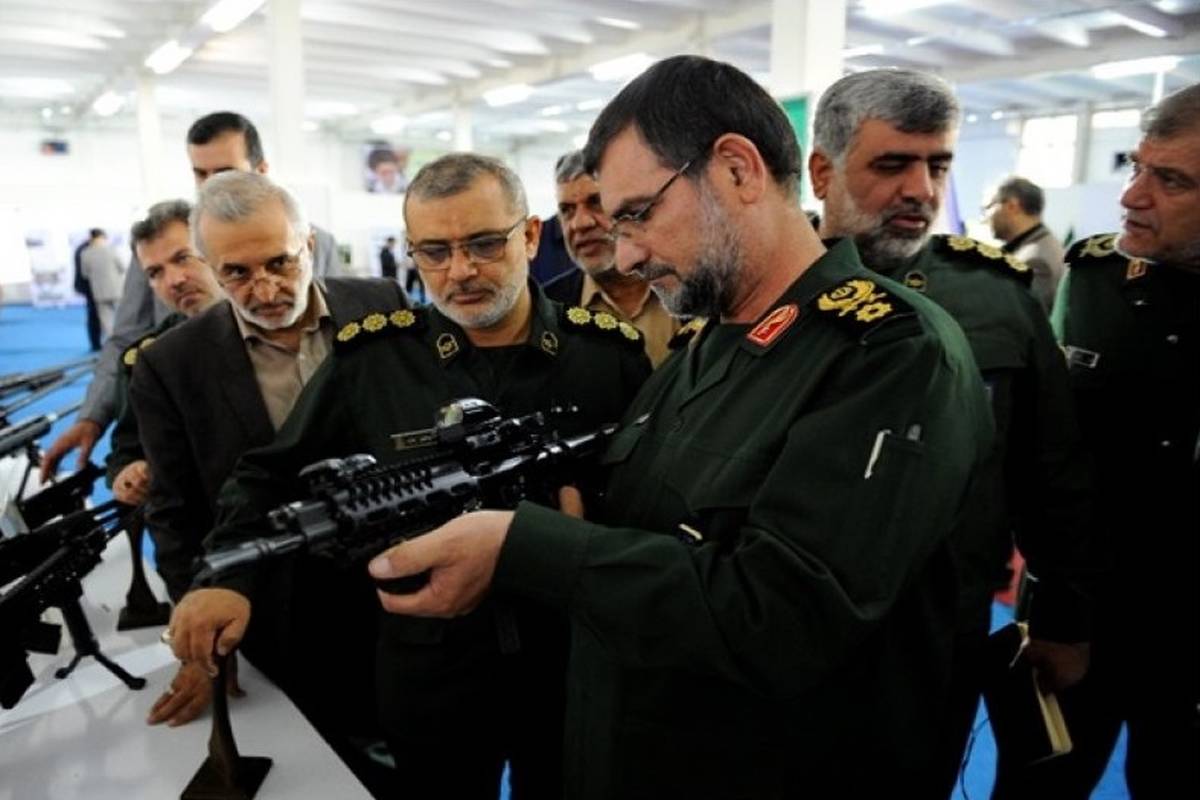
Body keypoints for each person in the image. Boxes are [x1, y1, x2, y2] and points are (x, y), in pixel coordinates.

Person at [183, 56, 991, 798]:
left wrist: (522, 545)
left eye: (638, 214)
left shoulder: (887, 351)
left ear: (737, 169)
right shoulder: (718, 345)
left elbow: (782, 615)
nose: (625, 257)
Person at [167, 153, 651, 799]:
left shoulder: (605, 356)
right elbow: (269, 476)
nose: (460, 271)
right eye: (434, 252)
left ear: (531, 236)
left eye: (484, 243)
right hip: (433, 666)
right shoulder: (374, 362)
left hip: (575, 658)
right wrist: (227, 579)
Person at [809, 68, 1096, 796]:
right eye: (891, 164)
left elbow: (1050, 471)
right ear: (822, 172)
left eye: (937, 166)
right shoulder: (764, 292)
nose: (921, 189)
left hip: (940, 633)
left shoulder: (995, 299)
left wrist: (1063, 619)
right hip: (793, 632)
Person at [127, 173, 407, 780]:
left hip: (404, 590)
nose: (265, 288)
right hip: (279, 610)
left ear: (310, 244)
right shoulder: (170, 365)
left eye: (280, 262)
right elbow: (174, 512)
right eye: (237, 273)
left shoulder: (381, 303)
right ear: (212, 268)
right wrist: (200, 629)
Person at [1005, 82, 1199, 800]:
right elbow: (1053, 457)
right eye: (1137, 167)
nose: (1131, 197)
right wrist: (1052, 612)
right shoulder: (1094, 279)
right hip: (1080, 617)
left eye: (1171, 181)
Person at [39, 111, 346, 483]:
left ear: (261, 170)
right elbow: (126, 337)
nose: (212, 186)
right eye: (201, 174)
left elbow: (342, 330)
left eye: (225, 172)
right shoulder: (166, 241)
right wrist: (92, 417)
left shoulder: (314, 241)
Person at [105, 200, 224, 507]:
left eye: (183, 258)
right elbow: (126, 448)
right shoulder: (149, 359)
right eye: (155, 272)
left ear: (215, 249)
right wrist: (127, 473)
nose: (174, 281)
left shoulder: (274, 325)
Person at [544, 149, 680, 366]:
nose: (580, 223)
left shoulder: (690, 283)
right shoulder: (546, 308)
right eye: (567, 210)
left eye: (596, 202)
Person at [988, 176, 1066, 313]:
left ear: (1012, 206)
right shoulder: (1037, 248)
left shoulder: (1036, 261)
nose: (985, 218)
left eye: (988, 207)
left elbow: (1015, 319)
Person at [79, 229, 125, 338]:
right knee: (124, 316)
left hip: (99, 291)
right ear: (102, 237)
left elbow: (85, 274)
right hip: (116, 289)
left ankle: (114, 341)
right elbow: (122, 267)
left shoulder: (85, 253)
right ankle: (127, 339)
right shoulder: (111, 250)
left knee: (106, 320)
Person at [73, 230, 102, 351]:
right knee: (94, 316)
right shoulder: (87, 250)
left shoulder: (83, 248)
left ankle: (96, 343)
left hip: (90, 287)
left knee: (94, 315)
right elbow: (85, 272)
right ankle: (96, 343)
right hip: (91, 287)